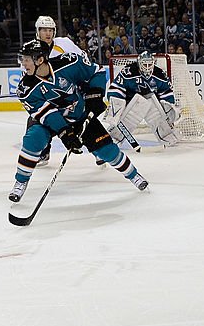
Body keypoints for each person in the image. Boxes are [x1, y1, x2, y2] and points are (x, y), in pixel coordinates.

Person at [9, 40, 148, 203]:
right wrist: (65, 133)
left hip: (80, 114)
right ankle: (21, 182)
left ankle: (133, 175)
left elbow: (96, 72)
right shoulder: (25, 88)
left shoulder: (69, 62)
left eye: (26, 59)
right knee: (34, 139)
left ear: (40, 59)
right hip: (50, 121)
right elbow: (47, 114)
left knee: (107, 151)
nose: (23, 64)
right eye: (22, 59)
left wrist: (95, 94)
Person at [28, 15, 97, 166]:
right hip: (50, 95)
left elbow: (82, 59)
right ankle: (44, 152)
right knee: (36, 121)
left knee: (84, 119)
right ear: (37, 31)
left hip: (70, 90)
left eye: (51, 30)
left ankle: (97, 149)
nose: (48, 33)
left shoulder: (64, 43)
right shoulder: (31, 50)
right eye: (44, 30)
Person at [105, 51, 179, 148]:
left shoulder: (160, 74)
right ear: (139, 63)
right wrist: (117, 106)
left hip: (152, 103)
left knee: (154, 109)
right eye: (144, 64)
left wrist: (168, 107)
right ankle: (116, 136)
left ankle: (166, 135)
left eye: (149, 64)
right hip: (130, 103)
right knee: (131, 114)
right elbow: (116, 88)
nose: (147, 67)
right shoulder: (129, 71)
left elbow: (166, 92)